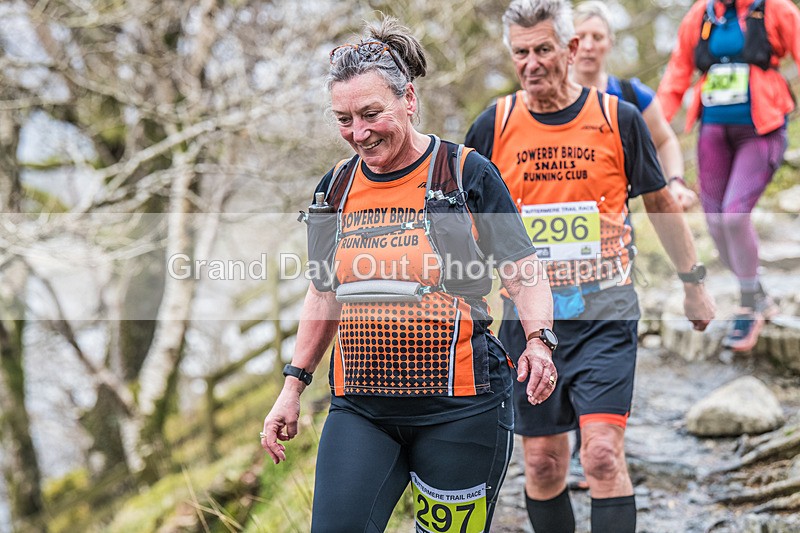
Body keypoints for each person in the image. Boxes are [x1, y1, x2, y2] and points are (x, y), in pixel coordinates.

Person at [261, 16, 558, 533]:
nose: (359, 132)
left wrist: (539, 340)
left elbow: (523, 270)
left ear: (409, 100)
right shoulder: (332, 190)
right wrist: (293, 384)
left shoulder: (465, 174)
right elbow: (322, 294)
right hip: (361, 408)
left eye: (371, 113)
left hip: (461, 408)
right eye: (344, 119)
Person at [465, 1, 715, 532]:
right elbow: (465, 220)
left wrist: (694, 285)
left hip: (606, 308)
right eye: (520, 53)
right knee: (543, 463)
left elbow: (660, 204)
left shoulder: (616, 118)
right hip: (528, 320)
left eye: (543, 50)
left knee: (601, 455)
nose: (531, 64)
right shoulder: (494, 125)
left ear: (572, 49)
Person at [657, 0, 800, 351]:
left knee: (735, 216)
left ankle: (749, 304)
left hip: (761, 129)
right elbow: (677, 75)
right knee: (716, 221)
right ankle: (759, 293)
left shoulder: (776, 9)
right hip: (713, 131)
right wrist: (648, 131)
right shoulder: (701, 15)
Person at [572, 0, 698, 211]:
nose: (588, 46)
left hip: (615, 216)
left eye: (597, 37)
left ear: (610, 42)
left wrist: (676, 182)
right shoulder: (546, 99)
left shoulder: (631, 95)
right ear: (568, 43)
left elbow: (665, 140)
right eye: (580, 36)